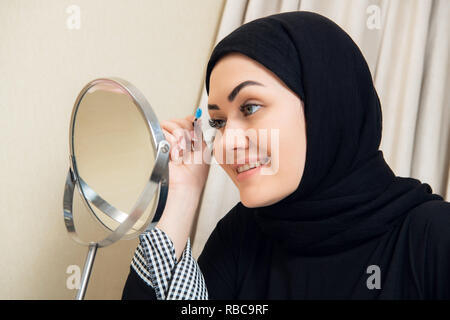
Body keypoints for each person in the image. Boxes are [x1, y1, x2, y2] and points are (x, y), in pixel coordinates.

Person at [122, 11, 450, 300]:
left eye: (249, 107)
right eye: (219, 122)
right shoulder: (242, 236)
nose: (223, 144)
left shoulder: (432, 237)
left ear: (326, 108)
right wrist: (181, 197)